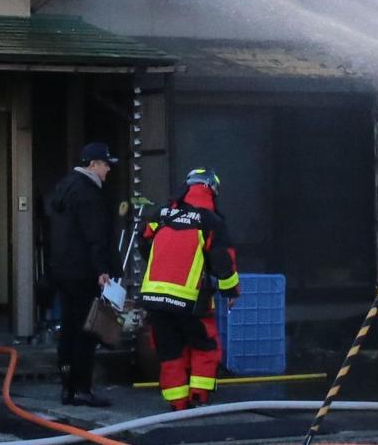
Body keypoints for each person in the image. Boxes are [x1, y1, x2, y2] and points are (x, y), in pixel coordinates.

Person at [140, 168, 240, 411]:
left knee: (169, 349)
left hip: (153, 296)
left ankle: (177, 404)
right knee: (205, 345)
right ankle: (199, 397)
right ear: (212, 190)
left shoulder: (161, 214)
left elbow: (144, 244)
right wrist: (230, 292)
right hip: (190, 298)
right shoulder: (211, 220)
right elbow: (223, 261)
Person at [47, 141, 120, 407]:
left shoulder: (65, 187)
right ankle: (82, 388)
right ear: (93, 164)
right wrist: (103, 269)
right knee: (86, 332)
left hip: (64, 271)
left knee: (68, 330)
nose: (108, 170)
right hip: (84, 272)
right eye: (105, 164)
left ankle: (67, 387)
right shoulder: (89, 192)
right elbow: (95, 235)